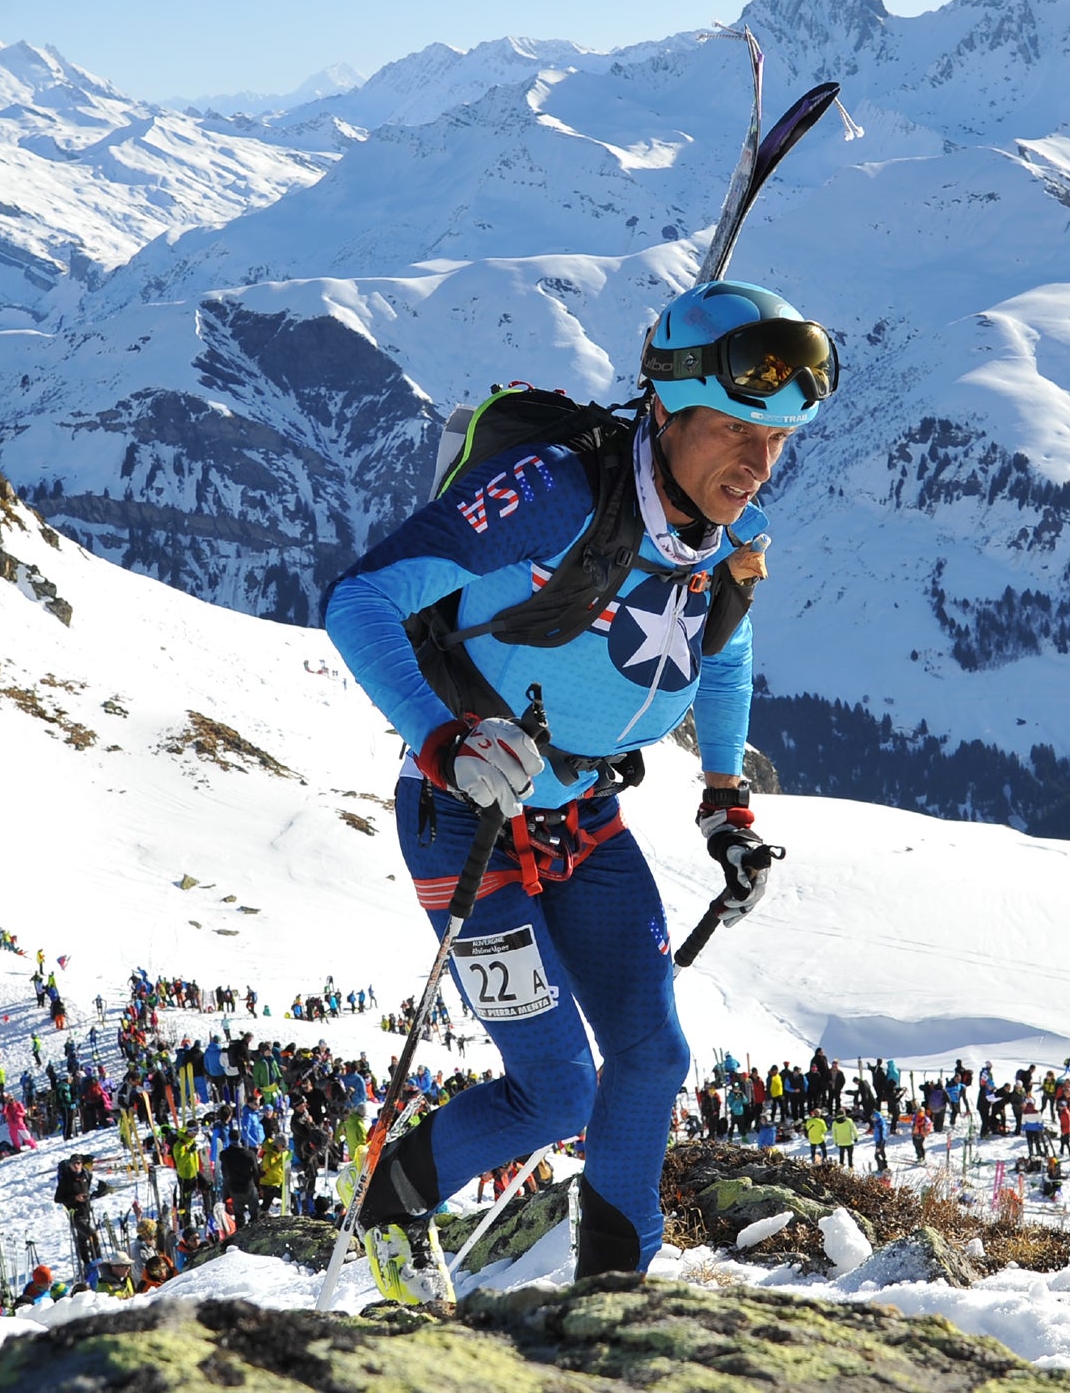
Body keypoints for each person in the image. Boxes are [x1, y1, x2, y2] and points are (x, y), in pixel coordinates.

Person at [324, 280, 836, 1302]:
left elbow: (722, 661)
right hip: (462, 818)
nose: (757, 462)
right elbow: (361, 599)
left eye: (778, 440)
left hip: (586, 818)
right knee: (556, 1088)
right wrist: (442, 740)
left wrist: (726, 802)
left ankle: (613, 1298)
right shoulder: (555, 492)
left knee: (652, 1059)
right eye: (737, 427)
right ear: (666, 409)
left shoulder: (732, 535)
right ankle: (391, 1199)